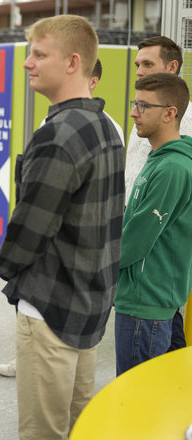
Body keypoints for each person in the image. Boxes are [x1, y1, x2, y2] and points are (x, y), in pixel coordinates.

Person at [0, 15, 125, 440]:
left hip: (50, 309)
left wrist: (7, 269)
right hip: (89, 305)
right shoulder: (106, 127)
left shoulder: (59, 135)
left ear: (72, 63)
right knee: (80, 424)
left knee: (43, 431)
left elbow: (28, 231)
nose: (28, 63)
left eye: (39, 54)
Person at [114, 73, 192, 376]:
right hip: (147, 299)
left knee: (136, 411)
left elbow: (135, 240)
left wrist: (90, 265)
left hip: (144, 305)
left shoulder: (172, 167)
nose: (134, 112)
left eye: (143, 106)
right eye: (135, 103)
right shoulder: (158, 158)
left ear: (170, 113)